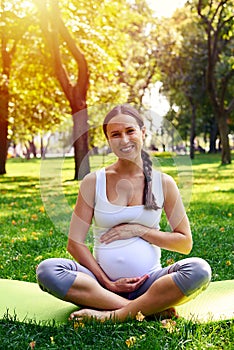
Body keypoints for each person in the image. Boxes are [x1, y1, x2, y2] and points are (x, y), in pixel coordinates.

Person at [36, 104, 211, 322]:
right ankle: (141, 310)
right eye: (116, 134)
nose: (125, 140)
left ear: (143, 132)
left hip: (150, 283)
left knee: (199, 270)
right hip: (100, 285)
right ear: (108, 140)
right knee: (47, 270)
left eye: (130, 131)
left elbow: (184, 243)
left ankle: (112, 315)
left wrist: (138, 230)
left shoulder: (163, 183)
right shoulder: (93, 182)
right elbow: (74, 243)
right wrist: (107, 282)